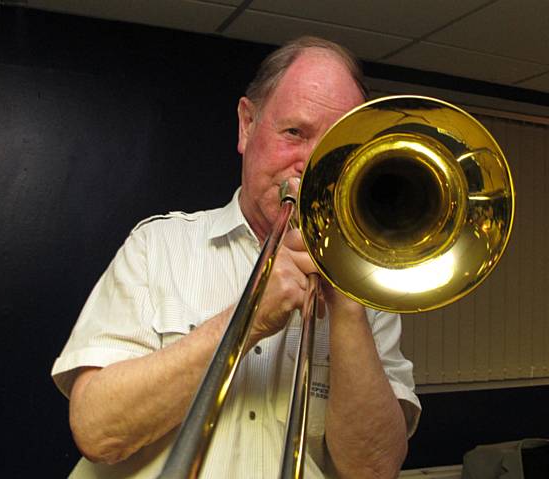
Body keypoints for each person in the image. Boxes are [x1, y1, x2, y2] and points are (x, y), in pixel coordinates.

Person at [52, 36, 421, 479]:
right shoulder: (159, 246)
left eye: (336, 148)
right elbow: (96, 431)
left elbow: (374, 470)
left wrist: (347, 308)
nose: (312, 164)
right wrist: (249, 319)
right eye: (295, 133)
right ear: (247, 125)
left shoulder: (366, 287)